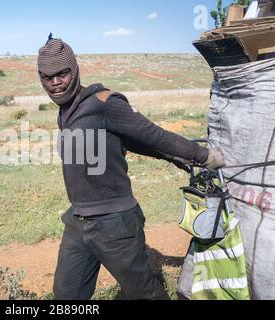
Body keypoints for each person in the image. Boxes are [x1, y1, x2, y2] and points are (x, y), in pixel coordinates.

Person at [37, 35, 225, 300]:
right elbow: (119, 143)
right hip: (78, 222)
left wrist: (201, 156)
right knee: (66, 295)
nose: (55, 83)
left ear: (75, 70)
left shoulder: (104, 104)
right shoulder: (66, 110)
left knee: (143, 294)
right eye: (47, 77)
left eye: (62, 74)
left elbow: (152, 135)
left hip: (114, 223)